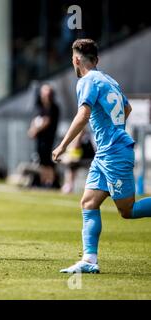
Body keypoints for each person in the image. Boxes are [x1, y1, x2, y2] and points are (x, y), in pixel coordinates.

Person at [52, 39, 151, 273]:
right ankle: (89, 261)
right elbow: (127, 109)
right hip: (106, 153)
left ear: (76, 59)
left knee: (127, 210)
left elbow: (83, 114)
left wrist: (63, 145)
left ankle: (89, 260)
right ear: (96, 60)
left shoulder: (87, 81)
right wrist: (113, 131)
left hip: (114, 153)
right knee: (88, 202)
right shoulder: (108, 80)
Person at [28, 84, 60, 188]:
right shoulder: (39, 106)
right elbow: (35, 119)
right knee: (41, 160)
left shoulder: (54, 107)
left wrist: (35, 130)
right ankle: (41, 181)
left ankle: (52, 181)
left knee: (47, 160)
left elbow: (47, 121)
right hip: (40, 139)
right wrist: (33, 129)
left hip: (48, 138)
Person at [60, 127, 95, 194]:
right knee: (71, 164)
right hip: (84, 159)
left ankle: (69, 185)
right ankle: (69, 185)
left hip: (89, 160)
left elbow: (75, 147)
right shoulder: (87, 136)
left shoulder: (85, 137)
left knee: (71, 163)